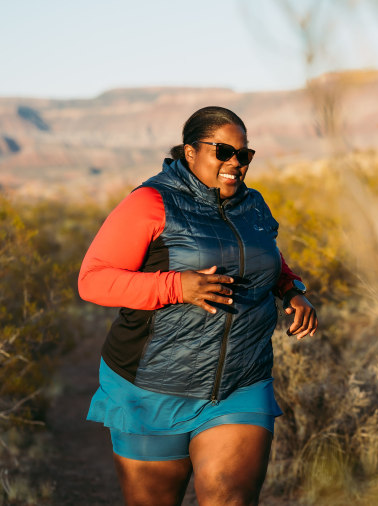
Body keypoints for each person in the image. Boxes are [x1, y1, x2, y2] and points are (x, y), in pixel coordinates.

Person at [78, 106, 317, 505]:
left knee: (230, 497)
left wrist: (291, 289)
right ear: (190, 152)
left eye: (244, 154)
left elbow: (265, 257)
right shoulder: (151, 202)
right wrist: (177, 286)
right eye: (223, 151)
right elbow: (93, 279)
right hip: (152, 387)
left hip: (241, 383)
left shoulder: (253, 205)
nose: (235, 163)